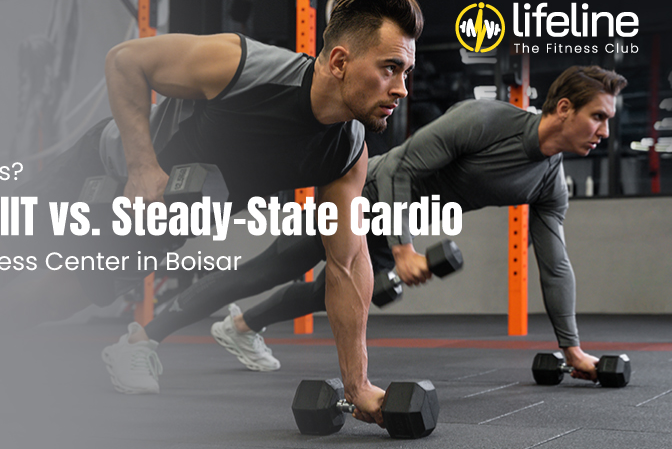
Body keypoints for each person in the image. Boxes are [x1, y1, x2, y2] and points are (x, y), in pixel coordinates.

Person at [12, 0, 424, 426]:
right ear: (340, 62)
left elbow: (347, 264)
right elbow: (125, 60)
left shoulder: (346, 154)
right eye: (390, 68)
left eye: (407, 73)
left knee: (52, 301)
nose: (402, 89)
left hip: (165, 221)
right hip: (105, 166)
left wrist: (357, 385)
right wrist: (142, 166)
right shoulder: (244, 66)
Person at [106, 65, 626, 400]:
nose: (605, 132)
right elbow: (399, 167)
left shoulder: (549, 183)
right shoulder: (485, 119)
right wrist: (403, 249)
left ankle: (241, 327)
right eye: (598, 117)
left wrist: (572, 349)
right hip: (360, 193)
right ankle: (140, 339)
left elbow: (555, 264)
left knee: (335, 293)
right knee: (271, 268)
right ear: (564, 109)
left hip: (397, 222)